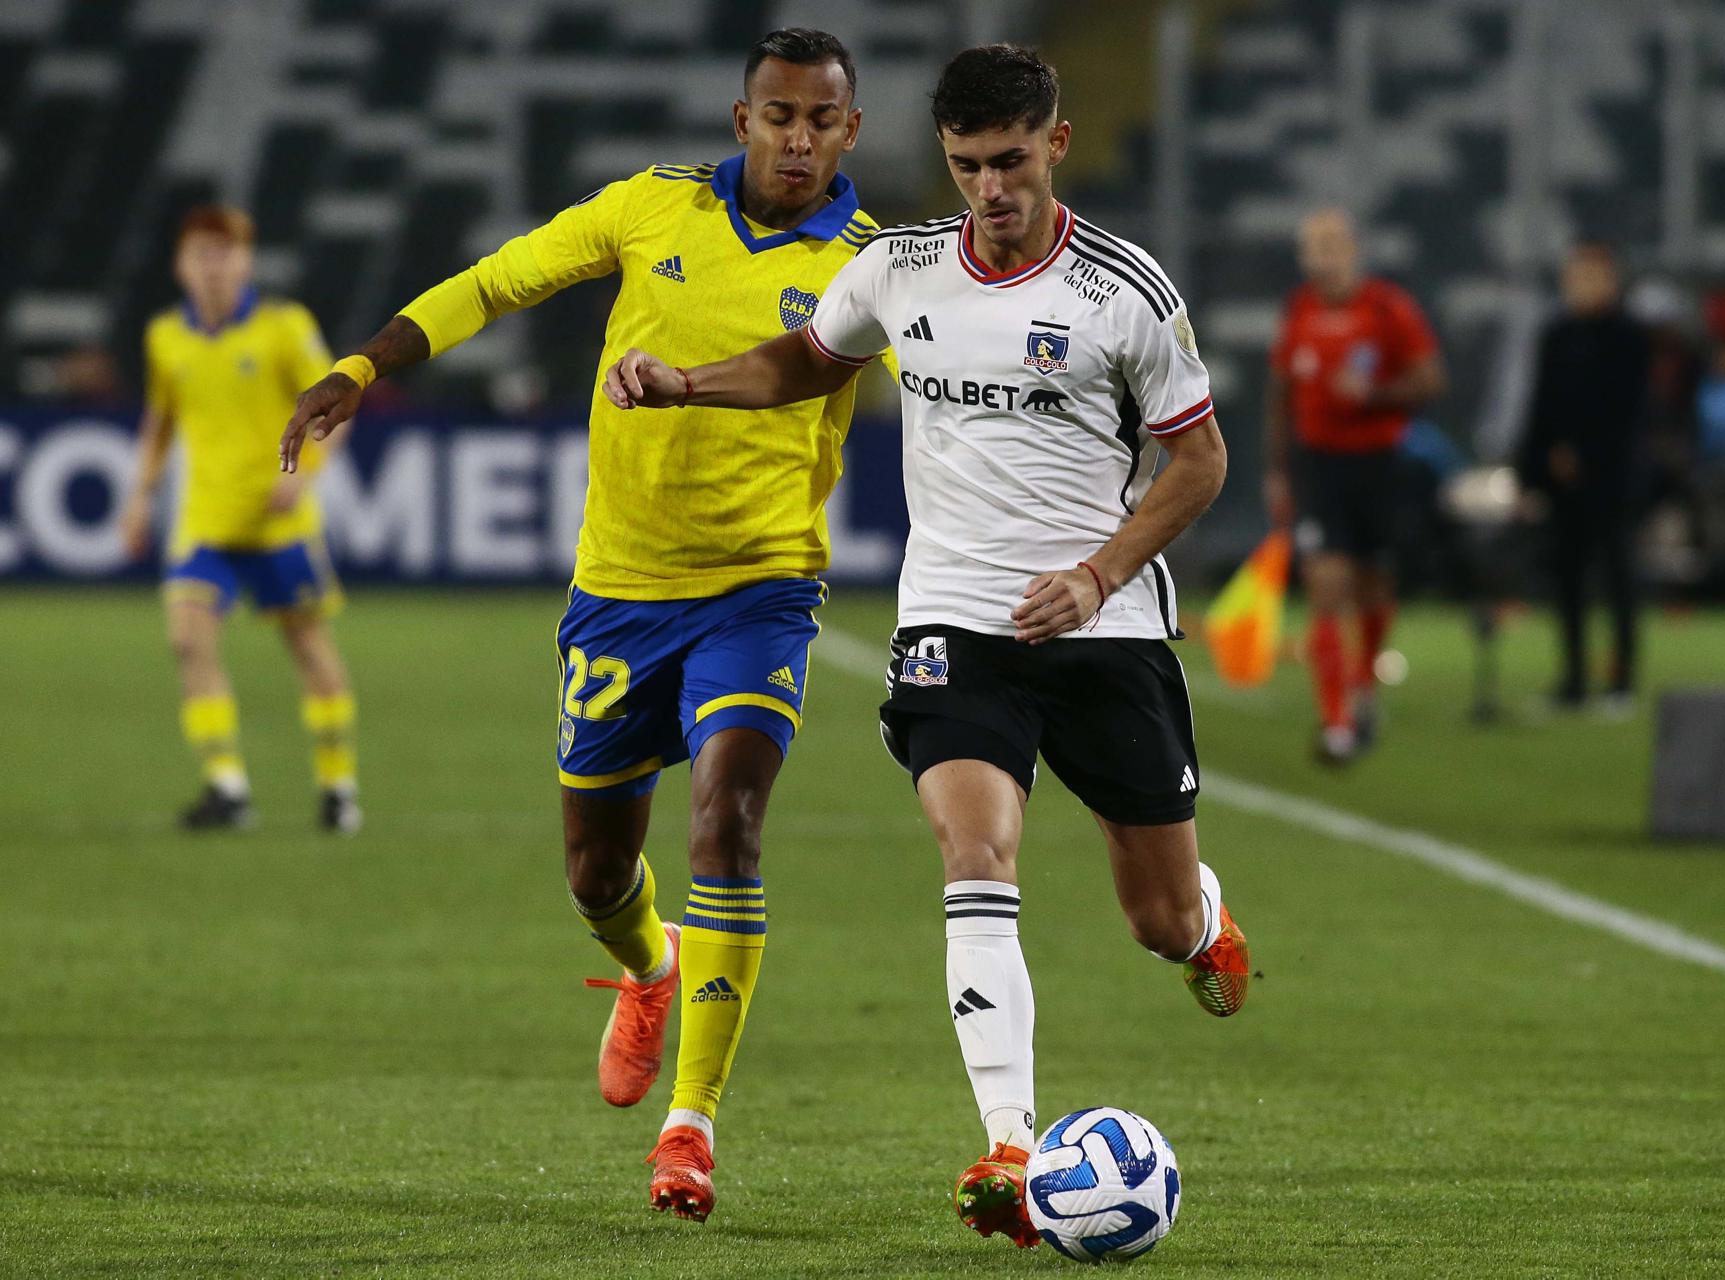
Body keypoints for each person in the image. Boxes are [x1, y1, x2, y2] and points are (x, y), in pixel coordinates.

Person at [597, 43, 1250, 1252]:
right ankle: (1009, 1140)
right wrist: (687, 381)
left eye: (1009, 162)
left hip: (1104, 628)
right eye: (965, 166)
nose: (988, 189)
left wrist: (1099, 570)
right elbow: (808, 359)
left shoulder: (1127, 293)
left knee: (1155, 918)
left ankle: (1206, 921)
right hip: (956, 622)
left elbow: (1198, 461)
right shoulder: (897, 270)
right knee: (973, 846)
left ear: (1055, 146)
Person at [278, 28, 882, 1225]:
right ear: (741, 118)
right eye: (779, 115)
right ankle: (649, 966)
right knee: (597, 869)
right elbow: (499, 280)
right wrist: (362, 362)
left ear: (851, 132)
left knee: (731, 817)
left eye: (822, 118)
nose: (799, 137)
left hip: (762, 589)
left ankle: (691, 1128)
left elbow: (973, 387)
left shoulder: (876, 263)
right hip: (618, 589)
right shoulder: (646, 210)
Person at [121, 205, 360, 834]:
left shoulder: (284, 327)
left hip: (277, 523)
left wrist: (305, 476)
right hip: (205, 522)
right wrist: (140, 495)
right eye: (201, 254)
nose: (213, 267)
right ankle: (227, 787)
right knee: (187, 639)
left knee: (308, 646)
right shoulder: (165, 337)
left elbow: (338, 404)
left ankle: (338, 787)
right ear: (180, 265)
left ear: (246, 261)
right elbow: (160, 421)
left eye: (224, 254)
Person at [1265, 209, 1445, 764]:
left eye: (1332, 246)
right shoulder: (1298, 311)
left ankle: (1364, 681)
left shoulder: (1389, 309)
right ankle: (1336, 721)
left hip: (1378, 461)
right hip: (1319, 464)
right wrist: (1277, 471)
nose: (1323, 257)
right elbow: (1281, 396)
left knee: (1373, 583)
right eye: (1313, 247)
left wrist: (1373, 393)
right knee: (1326, 584)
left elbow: (1431, 381)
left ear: (1353, 252)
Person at [1516, 241, 1652, 711]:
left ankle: (1621, 682)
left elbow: (1628, 413)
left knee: (1618, 578)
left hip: (1611, 477)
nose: (1580, 285)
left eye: (1590, 275)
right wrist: (1533, 469)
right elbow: (1541, 406)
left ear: (1611, 280)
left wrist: (1587, 455)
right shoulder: (1556, 334)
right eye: (1574, 275)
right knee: (1567, 579)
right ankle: (1572, 681)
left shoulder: (1630, 338)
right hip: (1561, 480)